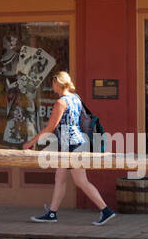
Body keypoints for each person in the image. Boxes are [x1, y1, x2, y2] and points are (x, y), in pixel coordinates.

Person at [23, 71, 116, 226]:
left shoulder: (61, 103)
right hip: (74, 143)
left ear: (58, 84)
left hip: (71, 146)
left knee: (81, 181)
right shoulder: (76, 98)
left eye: (53, 83)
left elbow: (50, 128)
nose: (52, 86)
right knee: (60, 178)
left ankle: (106, 210)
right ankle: (52, 213)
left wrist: (31, 142)